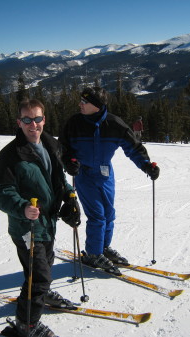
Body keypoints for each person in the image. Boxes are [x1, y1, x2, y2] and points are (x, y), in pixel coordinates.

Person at [0, 98, 80, 337]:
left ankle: (42, 293)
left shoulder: (50, 143)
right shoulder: (10, 155)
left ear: (44, 119)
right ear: (19, 122)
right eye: (27, 120)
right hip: (26, 226)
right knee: (38, 275)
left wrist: (69, 195)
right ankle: (26, 324)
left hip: (47, 222)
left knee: (44, 266)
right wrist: (22, 207)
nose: (33, 125)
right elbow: (0, 192)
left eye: (37, 119)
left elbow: (57, 177)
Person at [59, 87, 160, 275]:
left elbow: (134, 148)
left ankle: (103, 248)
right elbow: (62, 148)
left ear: (97, 106)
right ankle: (93, 254)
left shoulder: (115, 124)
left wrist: (147, 165)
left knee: (109, 214)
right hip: (84, 174)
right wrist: (68, 162)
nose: (80, 104)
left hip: (105, 173)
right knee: (97, 215)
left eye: (84, 102)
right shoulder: (74, 123)